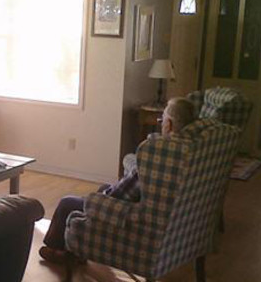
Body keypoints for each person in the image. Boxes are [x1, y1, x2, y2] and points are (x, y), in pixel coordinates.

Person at [39, 97, 197, 264]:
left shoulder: (156, 155)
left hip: (128, 216)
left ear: (170, 124)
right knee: (103, 187)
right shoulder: (190, 151)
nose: (161, 124)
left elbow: (118, 195)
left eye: (162, 120)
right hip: (162, 219)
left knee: (67, 203)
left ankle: (58, 250)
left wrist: (99, 198)